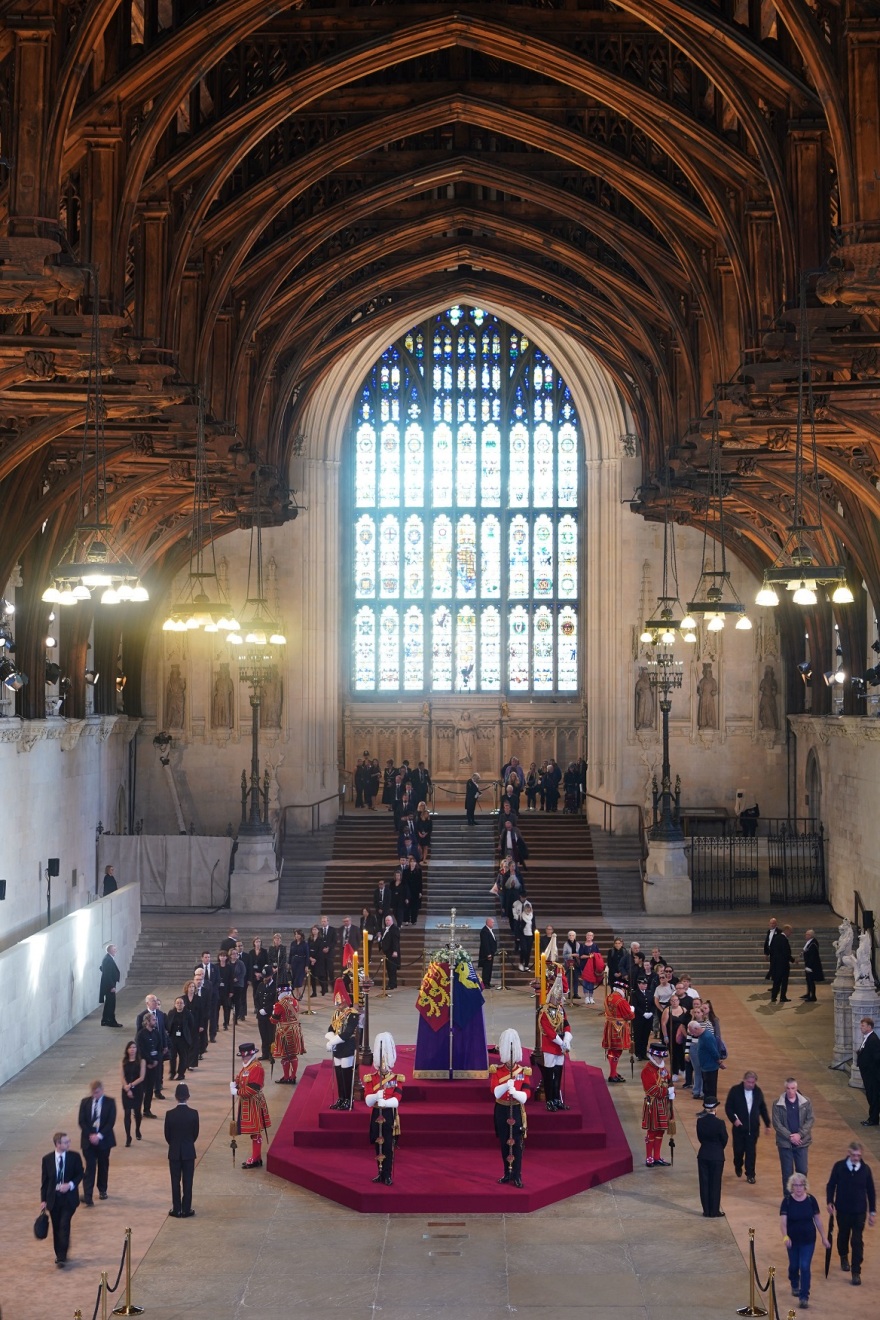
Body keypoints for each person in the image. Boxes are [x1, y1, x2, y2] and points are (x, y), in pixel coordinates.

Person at [826, 1140, 876, 1286]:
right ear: (848, 1153)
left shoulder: (865, 1170)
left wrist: (872, 1212)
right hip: (842, 1210)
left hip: (859, 1212)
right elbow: (831, 1185)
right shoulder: (839, 1167)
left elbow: (871, 1192)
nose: (856, 1158)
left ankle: (856, 1272)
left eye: (858, 1155)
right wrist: (830, 1201)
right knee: (843, 1235)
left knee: (857, 1240)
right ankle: (843, 1255)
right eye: (854, 1155)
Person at [780, 1173, 830, 1311]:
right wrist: (785, 1237)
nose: (798, 1188)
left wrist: (824, 1237)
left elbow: (818, 1220)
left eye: (801, 1185)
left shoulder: (811, 1200)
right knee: (794, 1266)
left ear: (805, 1185)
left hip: (808, 1240)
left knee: (805, 1266)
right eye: (795, 1185)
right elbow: (783, 1223)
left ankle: (804, 1297)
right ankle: (794, 1282)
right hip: (792, 1241)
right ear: (791, 1186)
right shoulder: (787, 1201)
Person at [490, 1027, 532, 1188]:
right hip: (501, 1110)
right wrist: (505, 1086)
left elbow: (527, 1092)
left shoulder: (522, 1072)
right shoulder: (497, 1071)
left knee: (517, 1144)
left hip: (516, 1110)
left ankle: (517, 1174)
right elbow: (494, 1091)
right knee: (503, 1143)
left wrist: (516, 1092)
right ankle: (507, 1173)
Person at [364, 1031, 403, 1185]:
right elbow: (367, 1100)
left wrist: (385, 1102)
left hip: (389, 1115)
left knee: (387, 1146)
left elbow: (397, 1099)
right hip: (376, 1114)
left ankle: (387, 1174)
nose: (384, 1065)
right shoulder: (371, 1078)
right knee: (378, 1145)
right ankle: (379, 1172)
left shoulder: (396, 1078)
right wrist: (375, 1097)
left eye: (386, 1061)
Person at [39, 1133, 84, 1267]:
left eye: (68, 1141)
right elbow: (45, 1181)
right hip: (53, 1199)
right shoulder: (47, 1159)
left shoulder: (74, 1157)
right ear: (58, 1144)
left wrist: (69, 1185)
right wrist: (43, 1200)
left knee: (64, 1224)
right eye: (66, 1142)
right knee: (56, 1226)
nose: (69, 1144)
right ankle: (58, 1253)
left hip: (69, 1199)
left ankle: (62, 1256)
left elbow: (80, 1173)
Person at [725, 1070, 771, 1184]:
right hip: (739, 1129)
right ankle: (738, 1164)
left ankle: (750, 1174)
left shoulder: (758, 1092)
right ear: (744, 1080)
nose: (751, 1085)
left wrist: (767, 1124)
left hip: (753, 1129)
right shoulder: (735, 1091)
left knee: (751, 1152)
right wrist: (734, 1120)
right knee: (738, 1151)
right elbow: (728, 1107)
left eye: (753, 1083)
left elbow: (763, 1108)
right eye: (749, 1082)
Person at [231, 1042, 271, 1169]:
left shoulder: (256, 1068)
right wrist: (235, 1083)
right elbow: (241, 1078)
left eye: (246, 1056)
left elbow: (253, 1089)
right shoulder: (247, 1067)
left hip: (253, 1102)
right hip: (247, 1103)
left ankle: (256, 1158)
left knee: (255, 1131)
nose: (244, 1059)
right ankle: (256, 1157)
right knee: (254, 1132)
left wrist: (237, 1091)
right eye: (243, 1057)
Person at [77, 1080, 116, 1205]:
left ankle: (102, 1190)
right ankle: (88, 1195)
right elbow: (81, 1121)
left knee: (103, 1165)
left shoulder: (110, 1102)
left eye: (97, 1092)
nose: (95, 1095)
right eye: (93, 1093)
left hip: (104, 1140)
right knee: (90, 1167)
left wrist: (99, 1136)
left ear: (102, 1090)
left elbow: (110, 1122)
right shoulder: (85, 1102)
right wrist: (90, 1135)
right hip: (88, 1141)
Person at [773, 1077, 814, 1194]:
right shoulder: (777, 1104)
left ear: (796, 1088)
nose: (791, 1091)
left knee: (802, 1170)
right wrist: (791, 1137)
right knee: (787, 1173)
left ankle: (802, 1195)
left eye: (793, 1088)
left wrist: (800, 1135)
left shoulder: (806, 1102)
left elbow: (810, 1120)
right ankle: (788, 1199)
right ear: (785, 1089)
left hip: (802, 1143)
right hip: (785, 1144)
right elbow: (777, 1124)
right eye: (788, 1088)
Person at [164, 1083, 199, 1218]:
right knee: (188, 1181)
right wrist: (188, 1143)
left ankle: (176, 1208)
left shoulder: (170, 1114)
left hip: (174, 1152)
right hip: (189, 1151)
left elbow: (167, 1135)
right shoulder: (193, 1114)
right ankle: (186, 1209)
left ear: (176, 1097)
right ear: (188, 1097)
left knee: (175, 1181)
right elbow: (195, 1133)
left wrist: (174, 1144)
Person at [539, 971, 572, 1111]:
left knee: (558, 1073)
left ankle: (557, 1098)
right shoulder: (544, 1012)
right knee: (549, 1074)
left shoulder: (561, 1010)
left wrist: (568, 1040)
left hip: (560, 1047)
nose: (559, 1001)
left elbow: (566, 1025)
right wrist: (562, 1042)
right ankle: (549, 1100)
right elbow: (550, 1032)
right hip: (550, 1046)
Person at [325, 979, 359, 1109]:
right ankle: (341, 1098)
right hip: (338, 1047)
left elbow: (347, 1032)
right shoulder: (336, 1014)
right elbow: (330, 1029)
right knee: (339, 1074)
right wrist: (331, 1038)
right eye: (337, 1003)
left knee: (346, 1075)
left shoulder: (352, 1014)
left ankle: (348, 1100)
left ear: (345, 1000)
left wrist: (333, 1041)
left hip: (347, 1047)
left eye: (340, 1002)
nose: (338, 1005)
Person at [641, 1042, 675, 1167]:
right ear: (653, 1056)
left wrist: (672, 1091)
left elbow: (668, 1080)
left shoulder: (662, 1068)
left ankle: (657, 1156)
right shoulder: (647, 1070)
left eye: (662, 1057)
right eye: (659, 1057)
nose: (661, 1059)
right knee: (652, 1130)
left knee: (660, 1131)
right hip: (653, 1103)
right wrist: (668, 1092)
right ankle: (649, 1156)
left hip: (664, 1103)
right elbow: (651, 1090)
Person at [696, 1097, 728, 1216]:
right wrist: (718, 1148)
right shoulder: (720, 1123)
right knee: (715, 1183)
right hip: (717, 1156)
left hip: (703, 1154)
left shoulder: (700, 1121)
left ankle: (706, 1210)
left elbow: (700, 1138)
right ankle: (714, 1211)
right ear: (715, 1108)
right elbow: (724, 1139)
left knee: (704, 1183)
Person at [602, 975, 634, 1084]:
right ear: (623, 989)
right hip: (618, 1028)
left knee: (612, 1050)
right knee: (616, 1051)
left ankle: (614, 1072)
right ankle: (612, 1074)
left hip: (609, 1026)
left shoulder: (608, 997)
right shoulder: (621, 1001)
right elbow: (630, 1016)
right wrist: (632, 1010)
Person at [270, 986, 306, 1084]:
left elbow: (273, 1021)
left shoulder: (279, 1004)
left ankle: (286, 1077)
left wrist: (273, 1012)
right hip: (295, 1030)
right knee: (293, 1055)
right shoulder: (295, 1001)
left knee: (285, 1056)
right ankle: (293, 1076)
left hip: (285, 1032)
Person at [136, 1009, 162, 1116]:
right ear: (147, 1021)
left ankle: (147, 1110)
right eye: (153, 1020)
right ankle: (137, 1109)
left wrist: (156, 1060)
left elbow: (159, 1047)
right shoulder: (141, 1034)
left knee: (150, 1089)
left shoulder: (156, 1033)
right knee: (141, 1089)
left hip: (154, 1065)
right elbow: (141, 1050)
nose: (155, 1021)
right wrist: (150, 1061)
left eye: (155, 1020)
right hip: (143, 1066)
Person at [120, 1041, 146, 1146]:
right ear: (127, 1050)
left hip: (137, 1090)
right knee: (127, 1113)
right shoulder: (123, 1061)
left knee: (137, 1112)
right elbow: (122, 1077)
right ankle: (128, 1137)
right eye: (130, 1047)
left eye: (134, 1047)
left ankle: (137, 1129)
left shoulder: (141, 1061)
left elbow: (142, 1077)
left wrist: (130, 1086)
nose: (132, 1049)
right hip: (126, 1090)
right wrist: (126, 1088)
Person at [856, 1016, 880, 1126]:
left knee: (873, 1096)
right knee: (871, 1096)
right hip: (868, 1074)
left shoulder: (873, 1039)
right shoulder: (868, 1037)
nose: (861, 1027)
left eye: (863, 1026)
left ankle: (873, 1119)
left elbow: (877, 1058)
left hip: (872, 1075)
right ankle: (873, 1117)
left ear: (869, 1027)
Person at [165, 996, 193, 1081]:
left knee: (183, 1057)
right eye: (177, 1003)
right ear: (175, 1004)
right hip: (173, 1038)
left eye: (181, 1003)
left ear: (184, 1004)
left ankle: (181, 1074)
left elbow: (191, 1025)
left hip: (183, 1039)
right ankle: (172, 1073)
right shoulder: (171, 1013)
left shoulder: (188, 1013)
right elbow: (168, 1024)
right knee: (172, 1056)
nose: (179, 1004)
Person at [632, 973, 655, 1062]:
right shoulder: (635, 994)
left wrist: (651, 1013)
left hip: (648, 1018)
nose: (644, 985)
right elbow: (635, 1006)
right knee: (638, 1036)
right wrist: (643, 1013)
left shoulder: (649, 993)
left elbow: (653, 1004)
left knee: (645, 1036)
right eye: (642, 984)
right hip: (639, 1018)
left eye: (645, 984)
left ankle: (644, 1053)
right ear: (639, 984)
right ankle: (638, 1053)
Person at [99, 943, 122, 1027]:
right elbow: (107, 974)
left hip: (109, 985)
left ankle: (105, 1020)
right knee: (111, 1004)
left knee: (109, 1003)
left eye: (115, 949)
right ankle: (110, 1021)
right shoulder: (108, 959)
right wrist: (112, 986)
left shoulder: (107, 958)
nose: (115, 951)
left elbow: (102, 968)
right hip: (109, 986)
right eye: (114, 950)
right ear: (109, 951)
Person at [769, 923, 793, 1003]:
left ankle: (773, 997)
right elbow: (786, 953)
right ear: (786, 930)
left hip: (776, 963)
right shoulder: (784, 939)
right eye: (790, 931)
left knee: (776, 981)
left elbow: (771, 949)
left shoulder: (776, 938)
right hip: (783, 964)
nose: (790, 933)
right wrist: (793, 960)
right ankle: (783, 997)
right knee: (784, 981)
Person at [579, 932, 603, 1005]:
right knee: (586, 981)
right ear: (586, 937)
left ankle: (591, 997)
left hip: (593, 966)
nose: (589, 936)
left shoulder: (595, 946)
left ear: (593, 937)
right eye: (588, 935)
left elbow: (598, 955)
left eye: (590, 935)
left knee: (591, 981)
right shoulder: (582, 945)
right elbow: (581, 956)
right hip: (584, 965)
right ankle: (586, 997)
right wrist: (589, 956)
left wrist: (594, 956)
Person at [316, 915, 337, 995]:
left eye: (324, 921)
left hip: (330, 954)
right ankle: (324, 988)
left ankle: (333, 987)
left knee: (330, 971)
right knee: (323, 972)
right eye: (322, 921)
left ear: (328, 921)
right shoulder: (320, 931)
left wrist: (328, 948)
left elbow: (334, 941)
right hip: (322, 954)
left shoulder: (332, 930)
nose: (323, 923)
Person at [801, 930, 824, 1002]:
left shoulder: (813, 943)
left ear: (811, 935)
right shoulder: (810, 942)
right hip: (808, 964)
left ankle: (813, 996)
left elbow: (812, 956)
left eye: (807, 934)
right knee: (808, 980)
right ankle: (808, 993)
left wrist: (809, 966)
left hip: (812, 965)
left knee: (811, 980)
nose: (806, 935)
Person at [380, 914, 401, 990]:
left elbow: (396, 941)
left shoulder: (394, 929)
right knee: (389, 969)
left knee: (392, 969)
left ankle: (392, 984)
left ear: (392, 921)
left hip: (392, 952)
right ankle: (393, 983)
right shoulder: (385, 929)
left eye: (388, 920)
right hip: (387, 952)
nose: (387, 921)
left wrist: (395, 951)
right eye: (386, 920)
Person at [479, 916, 498, 989]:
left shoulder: (489, 930)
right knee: (486, 968)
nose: (493, 923)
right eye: (492, 922)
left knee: (489, 968)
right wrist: (488, 954)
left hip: (491, 953)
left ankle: (488, 982)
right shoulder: (484, 931)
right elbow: (485, 944)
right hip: (487, 954)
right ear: (488, 922)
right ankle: (485, 983)